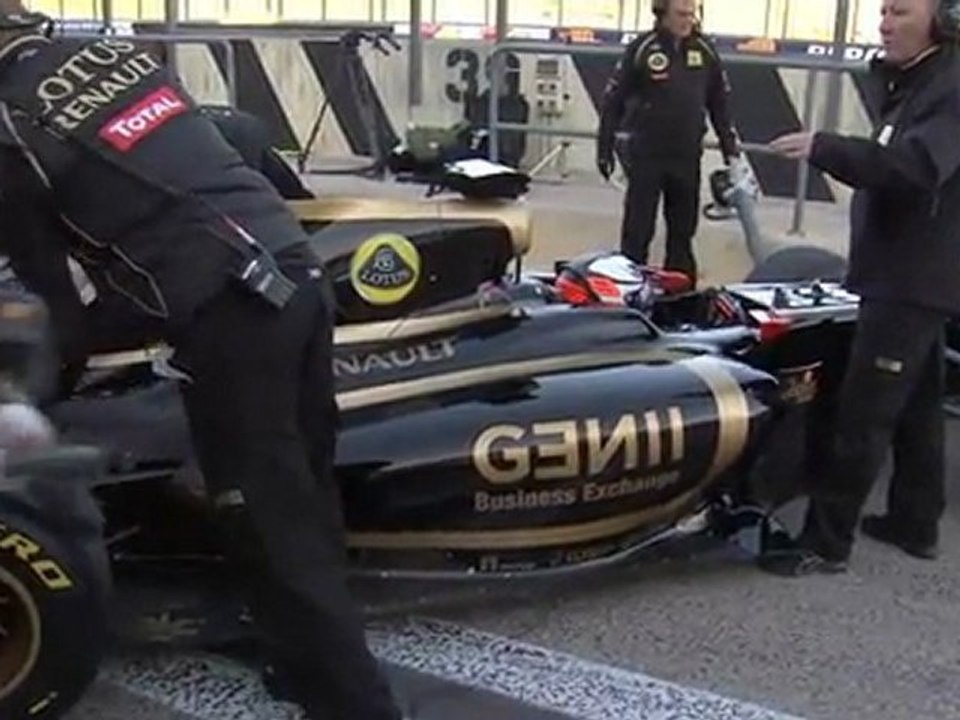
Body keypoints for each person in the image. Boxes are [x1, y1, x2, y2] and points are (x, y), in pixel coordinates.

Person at [0, 7, 403, 719]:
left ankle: (357, 706)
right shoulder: (110, 57)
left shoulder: (8, 123)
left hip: (233, 311)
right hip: (295, 272)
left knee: (269, 521)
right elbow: (233, 148)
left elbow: (54, 298)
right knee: (305, 495)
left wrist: (43, 400)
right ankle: (300, 664)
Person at [762, 0, 960, 576]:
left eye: (900, 11)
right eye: (883, 12)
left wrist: (829, 148)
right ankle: (915, 522)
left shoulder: (951, 87)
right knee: (919, 407)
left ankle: (826, 544)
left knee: (862, 415)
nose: (885, 22)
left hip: (911, 277)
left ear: (942, 20)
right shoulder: (919, 80)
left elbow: (915, 169)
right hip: (908, 273)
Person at [596, 0, 742, 284]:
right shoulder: (642, 48)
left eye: (691, 14)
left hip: (687, 156)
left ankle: (680, 296)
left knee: (683, 233)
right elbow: (613, 101)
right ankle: (630, 291)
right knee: (637, 232)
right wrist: (604, 148)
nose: (687, 20)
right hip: (647, 155)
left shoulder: (705, 50)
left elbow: (720, 105)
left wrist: (731, 151)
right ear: (662, 13)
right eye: (680, 14)